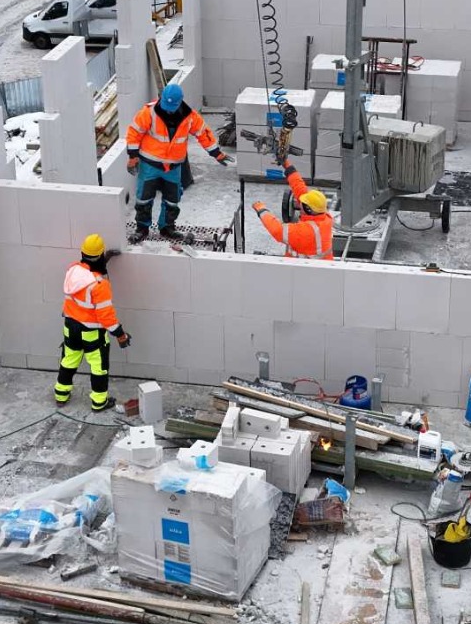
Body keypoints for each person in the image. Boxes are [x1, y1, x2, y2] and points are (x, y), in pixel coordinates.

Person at [125, 83, 229, 239]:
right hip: (149, 165)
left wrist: (216, 153)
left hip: (173, 167)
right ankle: (142, 228)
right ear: (161, 98)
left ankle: (167, 228)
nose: (168, 110)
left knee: (172, 200)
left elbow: (203, 132)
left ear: (180, 102)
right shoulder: (149, 112)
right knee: (144, 198)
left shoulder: (190, 116)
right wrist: (132, 156)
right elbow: (134, 132)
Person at [58, 234, 131, 410]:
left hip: (70, 328)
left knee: (68, 361)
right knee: (99, 368)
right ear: (100, 255)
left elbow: (88, 273)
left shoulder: (72, 270)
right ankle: (99, 402)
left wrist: (104, 260)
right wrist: (120, 334)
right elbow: (106, 317)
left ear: (82, 252)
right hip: (91, 334)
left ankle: (61, 394)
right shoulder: (100, 285)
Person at [251, 160, 334, 259]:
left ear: (308, 209)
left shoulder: (306, 231)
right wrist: (287, 166)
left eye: (302, 203)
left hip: (303, 267)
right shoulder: (324, 216)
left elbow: (277, 230)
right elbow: (299, 188)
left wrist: (262, 210)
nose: (299, 202)